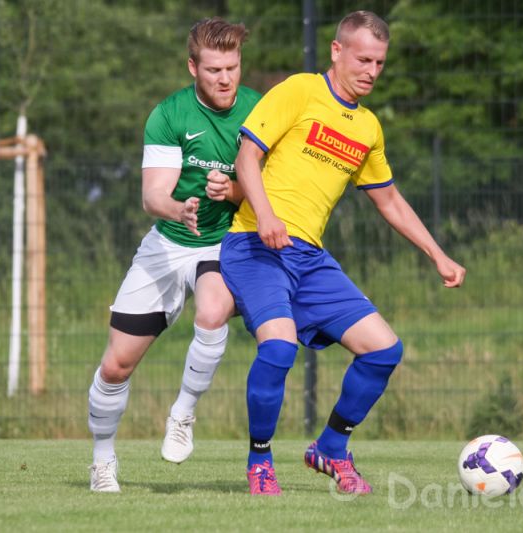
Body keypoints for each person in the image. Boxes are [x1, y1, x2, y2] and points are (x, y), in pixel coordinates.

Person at [220, 10, 466, 496]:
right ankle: (260, 462)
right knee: (279, 347)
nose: (371, 71)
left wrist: (437, 254)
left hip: (309, 258)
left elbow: (389, 200)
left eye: (379, 63)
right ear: (337, 51)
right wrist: (265, 215)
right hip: (254, 244)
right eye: (363, 59)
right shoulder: (300, 90)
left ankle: (331, 448)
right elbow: (247, 157)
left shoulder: (368, 127)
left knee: (384, 349)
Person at [87, 17, 261, 493]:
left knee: (212, 310)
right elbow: (152, 196)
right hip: (166, 243)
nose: (225, 79)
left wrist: (234, 191)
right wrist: (179, 209)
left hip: (223, 242)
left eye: (232, 68)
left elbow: (271, 188)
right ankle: (102, 461)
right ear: (192, 68)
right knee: (115, 366)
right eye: (214, 70)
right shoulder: (169, 114)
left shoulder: (259, 111)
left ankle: (183, 413)